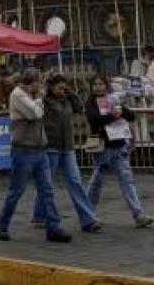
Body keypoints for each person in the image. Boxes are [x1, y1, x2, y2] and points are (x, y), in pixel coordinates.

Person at [0, 69, 71, 244]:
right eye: (39, 82)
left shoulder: (31, 95)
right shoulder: (18, 95)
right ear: (32, 82)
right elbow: (35, 113)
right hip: (23, 150)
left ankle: (53, 226)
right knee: (17, 190)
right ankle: (3, 224)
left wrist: (38, 100)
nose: (41, 87)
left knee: (47, 190)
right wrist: (39, 99)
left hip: (39, 148)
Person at [31, 74, 101, 233]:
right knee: (47, 183)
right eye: (59, 88)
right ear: (51, 87)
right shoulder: (45, 102)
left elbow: (79, 107)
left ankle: (87, 219)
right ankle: (38, 214)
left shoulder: (67, 99)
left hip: (68, 147)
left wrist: (69, 91)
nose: (62, 91)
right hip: (51, 147)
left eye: (64, 88)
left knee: (75, 181)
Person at [85, 75, 154, 227]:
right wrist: (112, 116)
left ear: (106, 85)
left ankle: (138, 213)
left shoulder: (113, 100)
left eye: (100, 84)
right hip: (103, 147)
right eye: (95, 84)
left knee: (126, 180)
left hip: (119, 144)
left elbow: (131, 115)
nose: (98, 87)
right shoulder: (90, 102)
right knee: (96, 181)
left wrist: (120, 112)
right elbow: (93, 119)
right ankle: (87, 213)